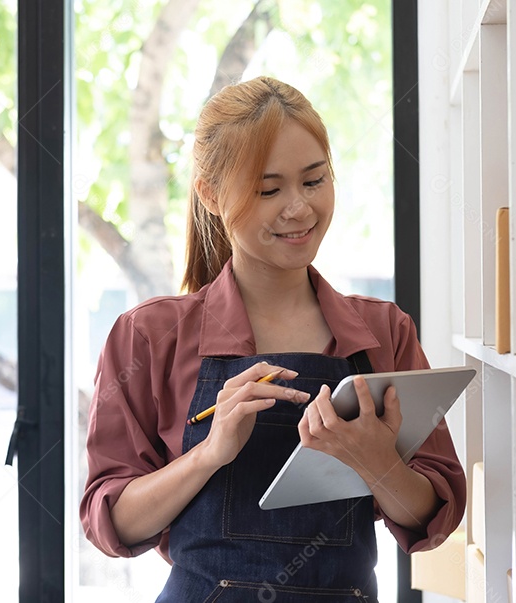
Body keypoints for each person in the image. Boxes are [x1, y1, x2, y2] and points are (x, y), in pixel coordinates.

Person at [81, 76, 466, 601]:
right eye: (269, 190)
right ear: (212, 195)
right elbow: (112, 524)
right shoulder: (147, 337)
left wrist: (380, 465)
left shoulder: (384, 333)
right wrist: (209, 453)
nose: (299, 209)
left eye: (314, 181)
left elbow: (434, 517)